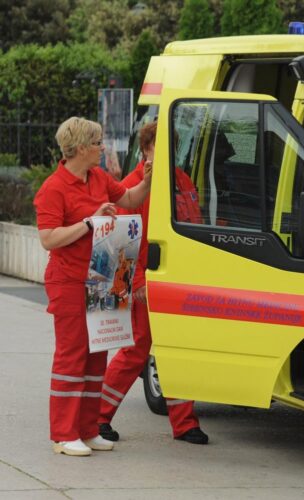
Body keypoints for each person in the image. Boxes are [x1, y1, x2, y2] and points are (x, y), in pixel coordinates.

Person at [34, 116, 152, 456]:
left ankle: (88, 430)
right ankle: (64, 434)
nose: (103, 148)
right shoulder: (53, 188)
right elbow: (48, 238)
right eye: (98, 142)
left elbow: (129, 199)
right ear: (81, 147)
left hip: (102, 277)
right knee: (72, 356)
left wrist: (148, 179)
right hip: (69, 281)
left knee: (97, 354)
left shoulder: (98, 177)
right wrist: (89, 222)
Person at [98, 122, 208, 445]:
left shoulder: (181, 181)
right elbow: (124, 240)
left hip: (177, 281)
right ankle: (98, 416)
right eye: (160, 144)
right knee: (135, 351)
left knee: (177, 349)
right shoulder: (132, 187)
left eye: (172, 144)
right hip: (146, 282)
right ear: (146, 148)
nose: (168, 151)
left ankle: (184, 424)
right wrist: (136, 283)